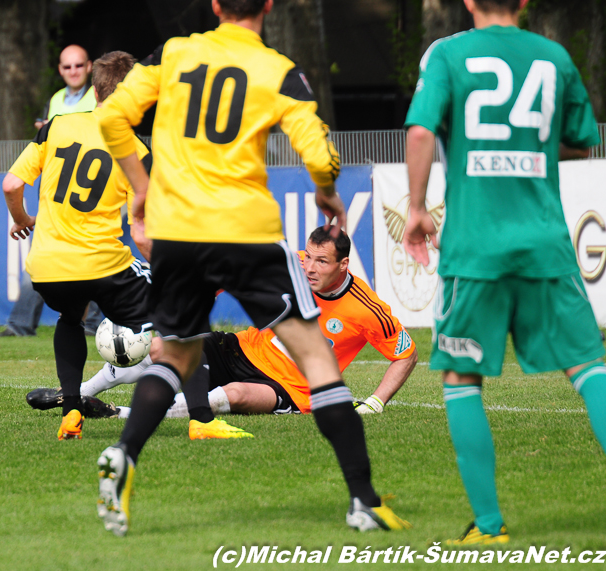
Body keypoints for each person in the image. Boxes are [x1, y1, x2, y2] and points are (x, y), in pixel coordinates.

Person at [95, 0, 410, 536]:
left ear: (216, 5)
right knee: (318, 361)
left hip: (178, 232)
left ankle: (124, 453)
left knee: (175, 355)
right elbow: (319, 151)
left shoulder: (174, 53)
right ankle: (362, 499)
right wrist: (326, 190)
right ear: (267, 6)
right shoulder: (277, 69)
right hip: (246, 231)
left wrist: (142, 189)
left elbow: (110, 116)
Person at [403, 0, 606, 545]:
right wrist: (526, 150)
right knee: (589, 369)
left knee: (461, 378)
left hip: (474, 248)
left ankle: (490, 527)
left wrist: (417, 208)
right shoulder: (553, 57)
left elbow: (421, 132)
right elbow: (581, 138)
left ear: (469, 2)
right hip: (544, 243)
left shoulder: (448, 54)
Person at [3, 51, 247, 441]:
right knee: (187, 319)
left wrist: (22, 219)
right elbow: (143, 233)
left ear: (96, 88)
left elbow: (11, 185)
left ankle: (72, 412)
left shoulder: (56, 126)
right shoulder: (135, 150)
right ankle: (202, 420)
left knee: (70, 318)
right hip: (102, 264)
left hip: (47, 267)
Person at [96, 227, 417, 419]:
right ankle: (83, 394)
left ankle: (122, 414)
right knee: (161, 347)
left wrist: (375, 403)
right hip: (243, 349)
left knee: (233, 395)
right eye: (308, 257)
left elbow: (407, 354)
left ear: (343, 264)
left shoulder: (366, 309)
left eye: (322, 261)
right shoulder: (291, 265)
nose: (310, 268)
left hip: (290, 387)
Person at [34, 45, 96, 130]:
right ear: (60, 69)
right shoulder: (53, 100)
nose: (73, 72)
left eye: (79, 66)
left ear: (89, 66)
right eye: (67, 67)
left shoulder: (100, 95)